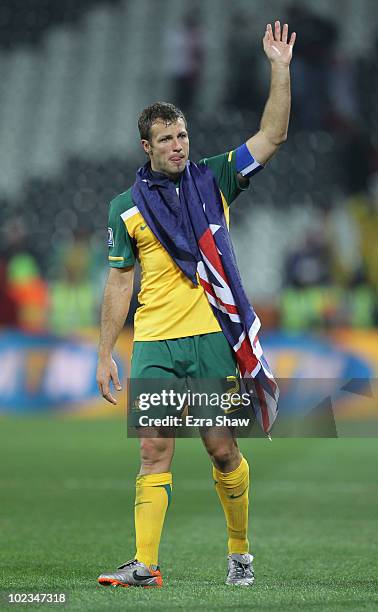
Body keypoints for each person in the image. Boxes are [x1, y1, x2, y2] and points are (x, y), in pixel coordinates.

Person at [96, 21, 295, 589]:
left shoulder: (216, 178)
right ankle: (145, 565)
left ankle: (240, 554)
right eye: (167, 139)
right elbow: (118, 285)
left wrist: (279, 68)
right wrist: (107, 350)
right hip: (155, 343)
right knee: (153, 451)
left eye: (182, 135)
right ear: (147, 147)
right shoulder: (126, 209)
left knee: (221, 449)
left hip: (210, 337)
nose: (179, 145)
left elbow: (273, 136)